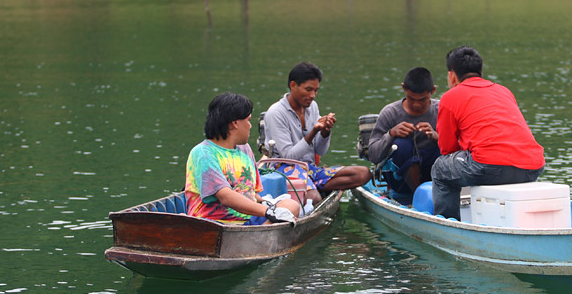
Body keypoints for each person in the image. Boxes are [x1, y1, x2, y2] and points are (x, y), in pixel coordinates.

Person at [431, 46, 545, 220]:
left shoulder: (450, 96)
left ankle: (448, 223)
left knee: (440, 168)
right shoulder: (504, 91)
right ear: (480, 71)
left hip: (488, 167)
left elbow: (447, 149)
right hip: (532, 166)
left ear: (452, 75)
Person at [185, 92, 300, 225]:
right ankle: (260, 237)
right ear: (234, 123)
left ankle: (260, 234)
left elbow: (252, 194)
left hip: (247, 219)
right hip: (215, 224)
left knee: (291, 205)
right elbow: (225, 196)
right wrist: (269, 212)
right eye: (248, 120)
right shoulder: (204, 153)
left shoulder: (244, 149)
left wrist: (270, 205)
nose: (250, 126)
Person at [263, 62, 371, 202]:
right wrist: (313, 132)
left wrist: (325, 132)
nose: (313, 95)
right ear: (293, 85)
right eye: (308, 89)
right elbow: (288, 156)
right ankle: (313, 189)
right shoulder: (276, 113)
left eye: (316, 90)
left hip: (310, 168)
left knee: (363, 174)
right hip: (284, 169)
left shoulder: (312, 106)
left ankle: (312, 185)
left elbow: (320, 151)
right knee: (314, 199)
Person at [367, 67, 440, 195]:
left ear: (433, 91)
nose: (416, 105)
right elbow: (373, 155)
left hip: (434, 174)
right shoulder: (390, 112)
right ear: (403, 88)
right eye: (411, 99)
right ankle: (417, 194)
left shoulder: (441, 110)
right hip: (400, 181)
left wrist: (437, 137)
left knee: (444, 146)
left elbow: (459, 147)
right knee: (401, 144)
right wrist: (391, 134)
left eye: (422, 100)